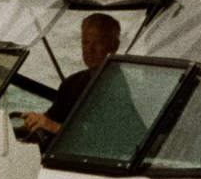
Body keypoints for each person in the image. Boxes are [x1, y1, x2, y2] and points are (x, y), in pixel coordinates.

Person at [14, 11, 122, 142]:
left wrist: (52, 126)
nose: (90, 49)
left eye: (98, 43)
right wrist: (29, 124)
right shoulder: (71, 83)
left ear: (114, 46)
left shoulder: (121, 86)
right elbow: (50, 119)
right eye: (85, 42)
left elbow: (106, 137)